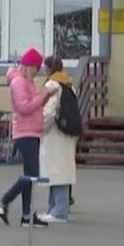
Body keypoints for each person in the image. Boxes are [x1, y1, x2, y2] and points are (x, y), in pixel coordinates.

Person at [0, 48, 50, 228]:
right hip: (25, 133)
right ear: (29, 66)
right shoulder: (18, 82)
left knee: (29, 175)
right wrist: (43, 97)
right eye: (36, 69)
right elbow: (24, 108)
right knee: (32, 175)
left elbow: (34, 105)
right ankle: (2, 202)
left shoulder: (25, 82)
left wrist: (44, 98)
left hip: (32, 131)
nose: (37, 73)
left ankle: (27, 216)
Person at [39, 56, 79, 224]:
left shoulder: (51, 85)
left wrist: (40, 127)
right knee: (60, 170)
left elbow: (48, 111)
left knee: (56, 171)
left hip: (55, 134)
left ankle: (59, 211)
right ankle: (54, 208)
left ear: (48, 68)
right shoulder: (68, 84)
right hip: (67, 133)